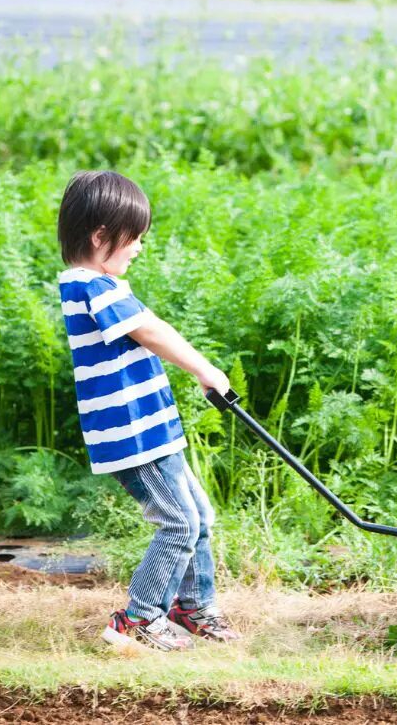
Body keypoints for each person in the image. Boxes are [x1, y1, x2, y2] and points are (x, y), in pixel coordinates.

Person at [56, 170, 240, 651]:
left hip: (153, 429)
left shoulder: (101, 286)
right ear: (101, 236)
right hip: (132, 435)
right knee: (179, 522)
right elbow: (152, 332)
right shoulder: (90, 286)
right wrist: (205, 371)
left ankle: (192, 608)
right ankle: (138, 618)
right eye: (134, 238)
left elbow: (151, 324)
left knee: (199, 515)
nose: (139, 247)